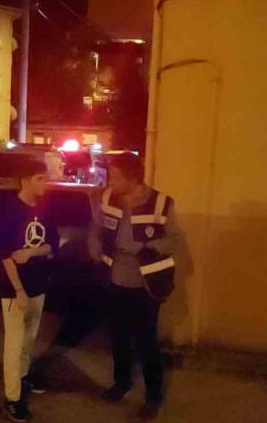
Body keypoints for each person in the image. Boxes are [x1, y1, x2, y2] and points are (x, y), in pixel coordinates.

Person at [89, 153, 179, 422]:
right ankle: (121, 383)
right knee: (118, 336)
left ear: (133, 179)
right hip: (115, 278)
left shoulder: (161, 202)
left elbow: (173, 240)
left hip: (146, 284)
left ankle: (153, 397)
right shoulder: (108, 197)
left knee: (146, 341)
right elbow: (97, 228)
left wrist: (148, 247)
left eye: (116, 177)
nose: (110, 182)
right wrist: (94, 246)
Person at [0, 160, 59, 422]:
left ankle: (22, 377)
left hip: (38, 284)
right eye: (40, 178)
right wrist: (18, 289)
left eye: (45, 178)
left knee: (29, 339)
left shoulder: (44, 208)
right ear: (25, 181)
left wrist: (31, 252)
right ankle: (12, 399)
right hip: (15, 290)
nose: (45, 183)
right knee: (14, 343)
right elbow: (6, 254)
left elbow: (53, 244)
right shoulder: (9, 211)